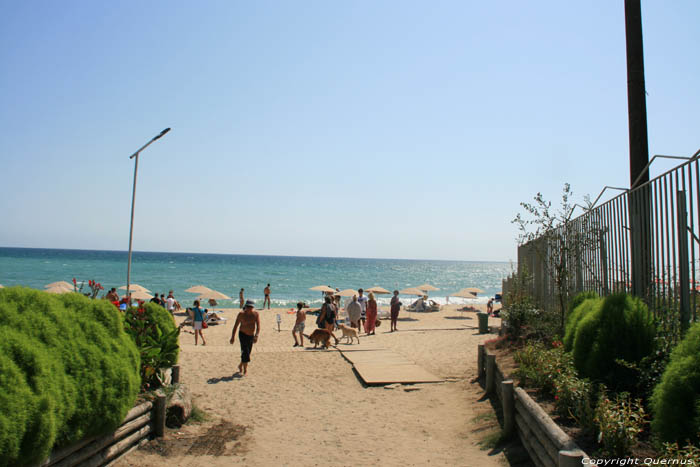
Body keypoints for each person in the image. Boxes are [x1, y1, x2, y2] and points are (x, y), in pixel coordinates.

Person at [230, 300, 261, 375]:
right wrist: (232, 337)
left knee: (248, 353)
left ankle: (240, 365)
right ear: (246, 307)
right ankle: (245, 370)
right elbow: (235, 326)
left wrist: (256, 335)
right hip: (242, 335)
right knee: (245, 352)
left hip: (251, 336)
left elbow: (258, 326)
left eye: (251, 307)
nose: (250, 308)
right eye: (248, 307)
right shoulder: (241, 314)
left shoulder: (256, 314)